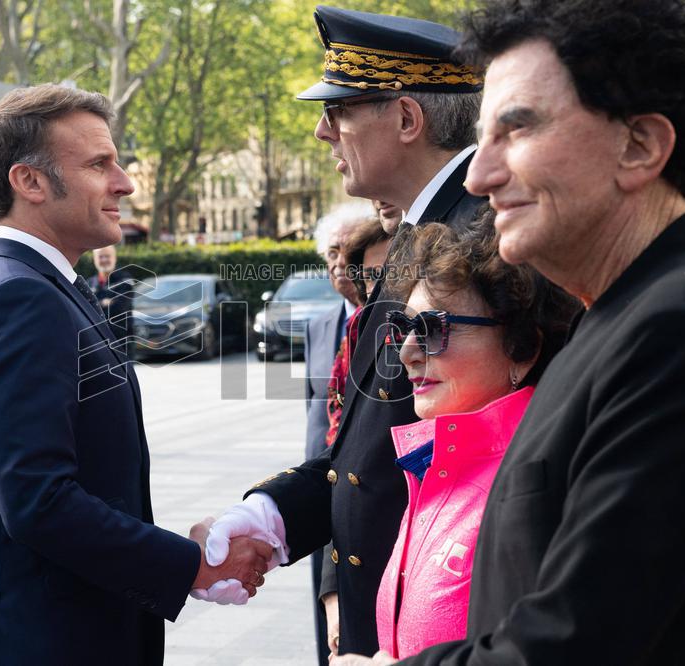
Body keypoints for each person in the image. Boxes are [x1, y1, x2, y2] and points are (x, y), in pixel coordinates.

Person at [339, 0, 685, 663]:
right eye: (483, 137)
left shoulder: (682, 329)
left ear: (640, 145)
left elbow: (581, 641)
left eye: (517, 129)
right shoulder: (627, 312)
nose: (480, 174)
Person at [0, 84, 271, 665]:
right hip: (43, 644)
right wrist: (193, 563)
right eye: (98, 164)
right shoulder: (19, 297)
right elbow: (38, 500)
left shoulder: (42, 287)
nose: (125, 182)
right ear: (30, 182)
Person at [195, 6, 487, 658]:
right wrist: (270, 517)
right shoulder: (424, 231)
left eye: (340, 110)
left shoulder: (483, 236)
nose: (323, 132)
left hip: (439, 628)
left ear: (407, 119)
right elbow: (371, 451)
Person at [337, 214, 578, 664]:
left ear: (521, 350)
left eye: (432, 328)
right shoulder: (431, 464)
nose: (407, 351)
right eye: (404, 329)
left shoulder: (538, 485)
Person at [306, 204, 372, 666]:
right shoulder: (318, 325)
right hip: (317, 498)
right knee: (326, 632)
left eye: (348, 251)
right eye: (331, 252)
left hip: (365, 504)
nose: (338, 262)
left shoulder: (394, 323)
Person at [87, 244, 134, 357]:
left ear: (114, 258)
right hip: (96, 343)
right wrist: (105, 302)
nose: (104, 260)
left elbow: (119, 308)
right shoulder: (89, 283)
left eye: (107, 256)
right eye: (100, 257)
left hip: (122, 344)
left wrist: (97, 303)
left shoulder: (125, 280)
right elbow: (86, 310)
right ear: (94, 260)